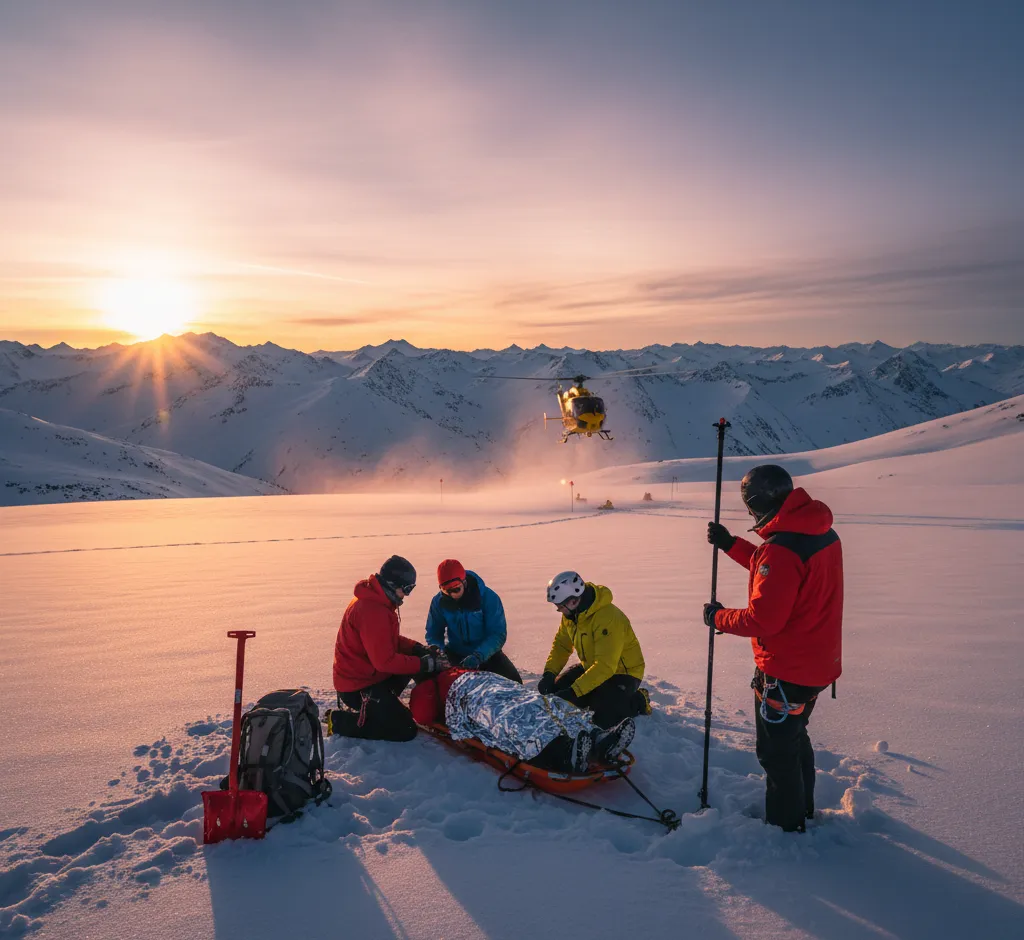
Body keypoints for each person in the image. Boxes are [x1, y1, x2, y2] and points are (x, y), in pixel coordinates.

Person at [704, 465, 843, 833]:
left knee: (777, 753)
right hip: (817, 663)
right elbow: (776, 566)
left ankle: (786, 828)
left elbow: (763, 619)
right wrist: (731, 544)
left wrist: (718, 618)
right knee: (796, 739)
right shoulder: (821, 532)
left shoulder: (781, 550)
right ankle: (803, 811)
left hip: (786, 670)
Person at [410, 667, 635, 773]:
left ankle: (598, 737)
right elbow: (423, 716)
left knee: (540, 703)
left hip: (491, 683)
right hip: (470, 697)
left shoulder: (454, 668)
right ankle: (564, 752)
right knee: (511, 718)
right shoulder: (426, 687)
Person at [329, 555, 448, 741]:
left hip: (369, 674)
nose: (407, 595)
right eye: (407, 589)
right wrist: (423, 664)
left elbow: (387, 640)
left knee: (413, 659)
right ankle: (338, 721)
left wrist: (417, 649)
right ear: (393, 584)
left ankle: (393, 704)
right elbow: (385, 661)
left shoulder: (378, 601)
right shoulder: (372, 611)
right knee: (405, 728)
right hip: (357, 686)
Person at [537, 571, 650, 729]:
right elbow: (562, 646)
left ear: (573, 601)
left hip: (623, 674)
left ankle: (638, 700)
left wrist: (575, 691)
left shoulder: (608, 618)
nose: (559, 611)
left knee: (602, 716)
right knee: (557, 691)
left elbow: (605, 666)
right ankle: (591, 694)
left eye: (559, 606)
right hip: (592, 667)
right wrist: (550, 673)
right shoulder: (571, 616)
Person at [425, 559, 522, 683]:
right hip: (455, 653)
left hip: (487, 654)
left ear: (464, 583)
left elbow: (497, 634)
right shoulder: (438, 602)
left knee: (516, 683)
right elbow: (433, 633)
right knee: (431, 682)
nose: (452, 595)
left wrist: (478, 656)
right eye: (445, 591)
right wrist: (439, 652)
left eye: (456, 589)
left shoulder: (488, 598)